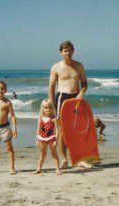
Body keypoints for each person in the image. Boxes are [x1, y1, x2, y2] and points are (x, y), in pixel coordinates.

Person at [48, 41, 93, 169]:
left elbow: (84, 83)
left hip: (76, 98)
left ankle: (79, 159)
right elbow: (51, 87)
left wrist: (82, 92)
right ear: (61, 52)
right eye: (65, 50)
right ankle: (64, 159)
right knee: (62, 130)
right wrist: (51, 103)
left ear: (73, 51)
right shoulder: (56, 67)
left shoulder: (79, 66)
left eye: (70, 50)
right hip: (62, 98)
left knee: (78, 129)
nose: (68, 53)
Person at [34, 99, 62, 175]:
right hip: (42, 138)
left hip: (51, 137)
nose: (48, 109)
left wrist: (56, 140)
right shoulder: (40, 118)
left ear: (52, 108)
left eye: (50, 107)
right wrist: (37, 139)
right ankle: (39, 169)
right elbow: (38, 129)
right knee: (43, 154)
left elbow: (57, 130)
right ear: (42, 108)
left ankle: (57, 169)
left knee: (54, 153)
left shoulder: (54, 118)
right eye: (46, 108)